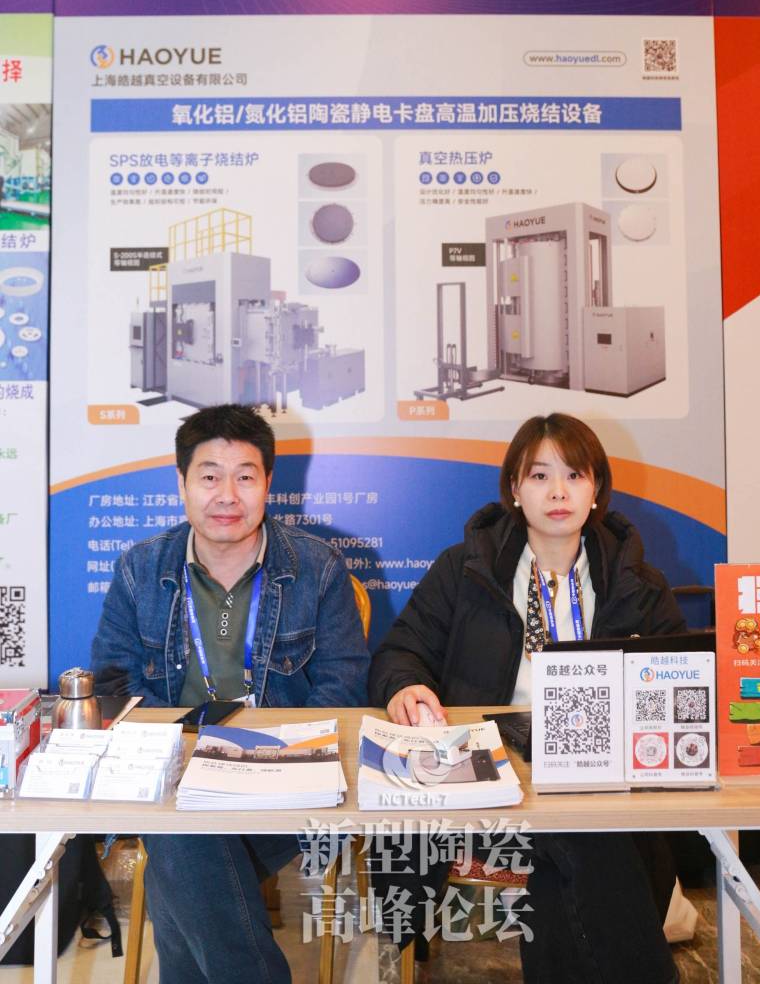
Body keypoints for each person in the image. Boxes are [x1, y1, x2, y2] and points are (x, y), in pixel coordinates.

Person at [368, 412, 683, 984]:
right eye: (539, 476)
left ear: (596, 488)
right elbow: (400, 653)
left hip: (604, 777)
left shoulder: (638, 582)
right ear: (515, 489)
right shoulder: (465, 569)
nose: (558, 492)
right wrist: (406, 686)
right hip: (486, 779)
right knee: (580, 841)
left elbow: (682, 679)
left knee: (576, 840)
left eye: (574, 475)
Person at [91, 403, 369, 984]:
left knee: (179, 848)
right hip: (176, 773)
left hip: (286, 781)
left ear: (268, 483)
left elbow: (342, 689)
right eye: (209, 476)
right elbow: (115, 685)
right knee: (185, 839)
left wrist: (260, 760)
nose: (226, 495)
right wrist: (189, 758)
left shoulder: (317, 568)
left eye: (244, 476)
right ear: (182, 484)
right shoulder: (142, 569)